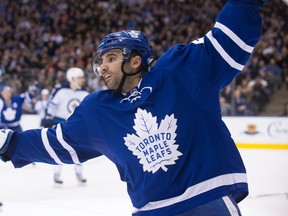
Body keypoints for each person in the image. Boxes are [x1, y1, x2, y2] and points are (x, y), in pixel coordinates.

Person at [0, 0, 269, 215]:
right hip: (150, 211)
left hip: (207, 202)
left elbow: (224, 39)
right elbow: (55, 142)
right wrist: (10, 143)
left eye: (112, 58)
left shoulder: (178, 72)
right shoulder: (97, 110)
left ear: (136, 60)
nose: (102, 67)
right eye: (101, 60)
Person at [44, 67, 89, 185]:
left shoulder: (84, 93)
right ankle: (57, 173)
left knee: (80, 150)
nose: (82, 80)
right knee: (60, 149)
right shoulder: (60, 91)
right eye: (80, 77)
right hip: (60, 123)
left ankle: (79, 172)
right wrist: (48, 119)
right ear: (72, 78)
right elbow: (51, 106)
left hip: (77, 125)